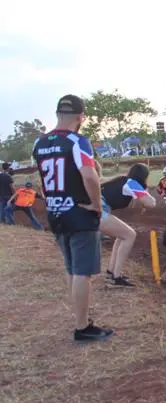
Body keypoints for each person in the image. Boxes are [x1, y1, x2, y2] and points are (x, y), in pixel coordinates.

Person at [32, 94, 112, 341]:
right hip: (79, 213)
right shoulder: (78, 141)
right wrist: (96, 205)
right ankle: (82, 327)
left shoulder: (40, 143)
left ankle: (81, 318)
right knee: (82, 272)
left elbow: (43, 182)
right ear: (80, 117)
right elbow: (90, 176)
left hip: (56, 214)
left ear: (57, 115)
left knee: (71, 268)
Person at [99, 163, 157, 287]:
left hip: (96, 209)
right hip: (98, 210)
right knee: (130, 235)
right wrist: (146, 191)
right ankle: (116, 277)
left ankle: (112, 272)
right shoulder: (131, 183)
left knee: (123, 235)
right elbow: (151, 203)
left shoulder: (123, 180)